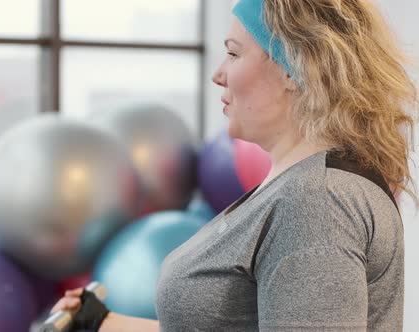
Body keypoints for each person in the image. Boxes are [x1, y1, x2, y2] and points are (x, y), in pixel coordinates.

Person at [49, 0, 418, 330]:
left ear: (293, 69)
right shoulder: (299, 187)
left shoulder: (316, 201)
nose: (218, 74)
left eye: (234, 54)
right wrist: (103, 324)